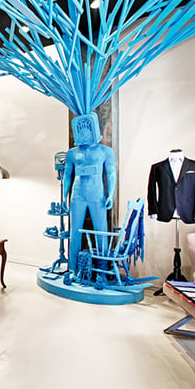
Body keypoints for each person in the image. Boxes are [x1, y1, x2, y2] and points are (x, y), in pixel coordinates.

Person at [62, 112, 116, 273]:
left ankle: (102, 269)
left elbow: (111, 172)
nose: (84, 131)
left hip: (97, 195)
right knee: (75, 233)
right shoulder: (72, 153)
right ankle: (72, 268)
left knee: (101, 232)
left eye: (87, 127)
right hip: (77, 195)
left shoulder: (105, 151)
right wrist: (65, 196)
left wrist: (111, 194)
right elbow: (67, 175)